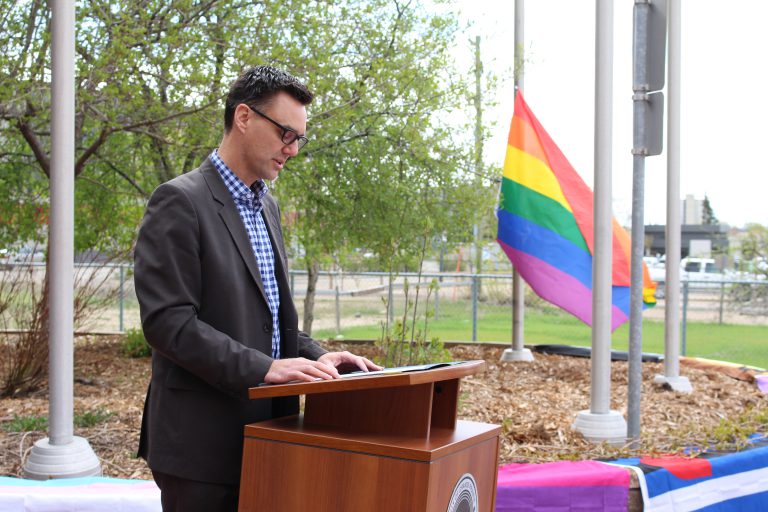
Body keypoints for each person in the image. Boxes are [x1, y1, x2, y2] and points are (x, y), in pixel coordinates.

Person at [133, 65, 381, 512]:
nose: (293, 150)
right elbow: (167, 324)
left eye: (299, 139)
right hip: (202, 445)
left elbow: (266, 321)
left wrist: (313, 356)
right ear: (244, 117)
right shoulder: (179, 201)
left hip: (271, 432)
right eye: (287, 133)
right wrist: (265, 368)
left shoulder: (267, 204)